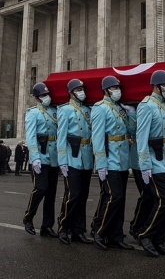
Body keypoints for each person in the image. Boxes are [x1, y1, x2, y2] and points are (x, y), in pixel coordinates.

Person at [91, 76, 136, 251]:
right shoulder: (100, 108)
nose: (118, 90)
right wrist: (101, 162)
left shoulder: (120, 109)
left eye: (119, 87)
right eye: (114, 87)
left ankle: (116, 236)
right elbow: (97, 137)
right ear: (106, 90)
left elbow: (131, 130)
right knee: (113, 197)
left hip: (122, 161)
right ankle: (100, 231)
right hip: (109, 161)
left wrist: (131, 114)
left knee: (120, 199)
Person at [135, 70, 165, 257]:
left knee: (164, 204)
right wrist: (144, 165)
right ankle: (145, 234)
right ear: (157, 87)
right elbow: (141, 137)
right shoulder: (146, 106)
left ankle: (160, 241)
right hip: (154, 163)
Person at [56, 79, 94, 245]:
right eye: (78, 89)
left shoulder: (87, 110)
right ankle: (63, 227)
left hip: (85, 158)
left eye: (82, 89)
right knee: (73, 194)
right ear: (71, 92)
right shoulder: (65, 110)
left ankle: (78, 230)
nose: (82, 92)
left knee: (83, 196)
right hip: (72, 157)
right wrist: (62, 161)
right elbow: (61, 137)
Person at [23, 82, 59, 238]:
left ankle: (47, 226)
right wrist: (35, 157)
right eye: (43, 96)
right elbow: (30, 137)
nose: (47, 97)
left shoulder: (55, 111)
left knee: (51, 193)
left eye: (47, 94)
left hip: (53, 158)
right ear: (37, 98)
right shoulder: (32, 113)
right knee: (40, 188)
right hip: (40, 157)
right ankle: (28, 217)